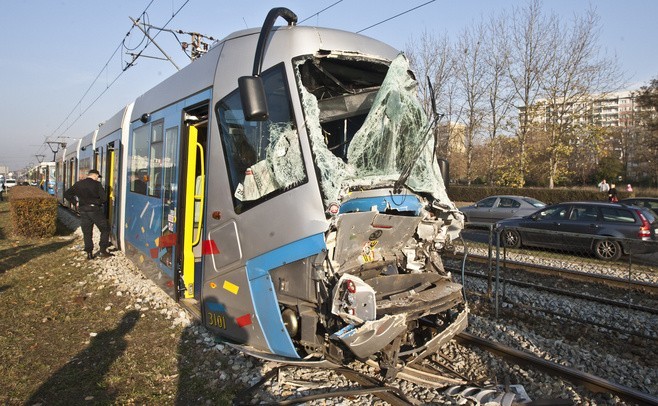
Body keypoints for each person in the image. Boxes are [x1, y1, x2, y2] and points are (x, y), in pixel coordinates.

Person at [64, 169, 113, 259]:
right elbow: (104, 198)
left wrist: (75, 202)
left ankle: (89, 254)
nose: (98, 179)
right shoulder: (97, 184)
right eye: (98, 177)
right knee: (105, 228)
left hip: (83, 210)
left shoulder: (78, 184)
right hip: (94, 210)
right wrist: (96, 202)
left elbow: (67, 194)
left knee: (87, 232)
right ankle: (102, 250)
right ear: (95, 175)